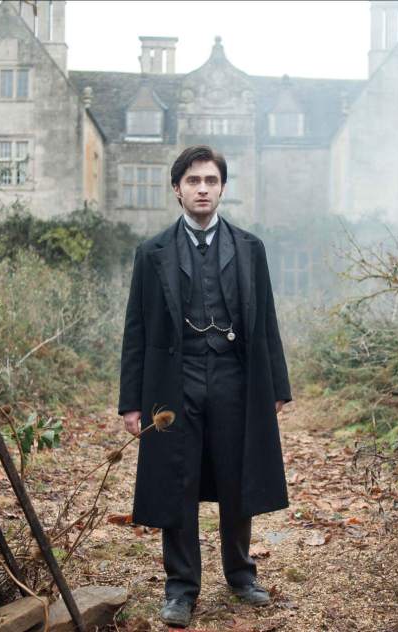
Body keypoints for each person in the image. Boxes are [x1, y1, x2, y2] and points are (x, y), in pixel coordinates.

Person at [118, 145, 291, 628]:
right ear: (177, 188)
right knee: (178, 479)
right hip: (174, 382)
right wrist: (131, 402)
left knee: (238, 476)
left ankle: (240, 575)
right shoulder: (151, 253)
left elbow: (267, 323)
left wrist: (275, 384)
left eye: (211, 181)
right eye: (193, 180)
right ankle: (180, 588)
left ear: (221, 188)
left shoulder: (249, 248)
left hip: (235, 379)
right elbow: (136, 329)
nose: (202, 189)